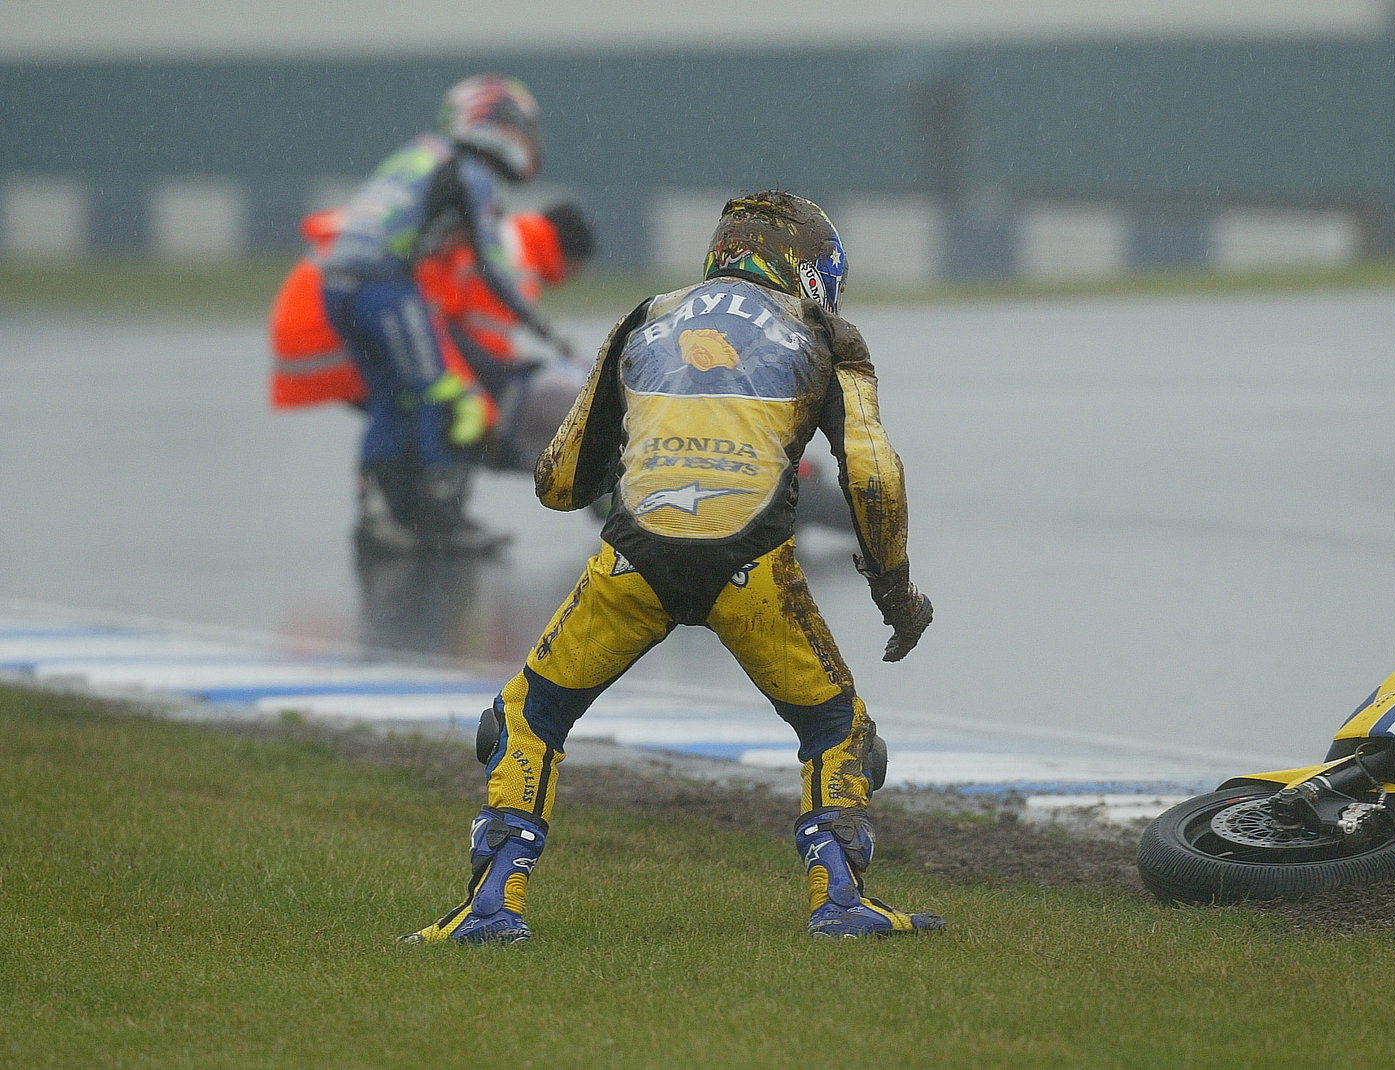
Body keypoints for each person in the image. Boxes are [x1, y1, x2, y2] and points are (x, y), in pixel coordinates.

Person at [403, 190, 941, 943]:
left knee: (525, 719)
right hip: (752, 567)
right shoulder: (828, 333)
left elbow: (559, 481)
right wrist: (895, 593)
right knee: (837, 730)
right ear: (808, 271)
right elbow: (874, 474)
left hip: (633, 564)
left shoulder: (645, 317)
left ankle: (490, 907)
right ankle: (840, 901)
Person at [317, 72, 560, 555]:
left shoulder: (421, 153)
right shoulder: (471, 171)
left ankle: (379, 518)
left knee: (391, 397)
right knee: (444, 395)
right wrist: (542, 326)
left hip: (337, 282)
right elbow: (493, 266)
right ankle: (439, 521)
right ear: (497, 124)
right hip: (384, 286)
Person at [268, 203, 596, 479]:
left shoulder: (500, 235)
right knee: (447, 412)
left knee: (426, 409)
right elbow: (484, 348)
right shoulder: (513, 257)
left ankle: (412, 510)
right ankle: (422, 509)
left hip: (322, 324)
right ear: (569, 257)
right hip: (338, 330)